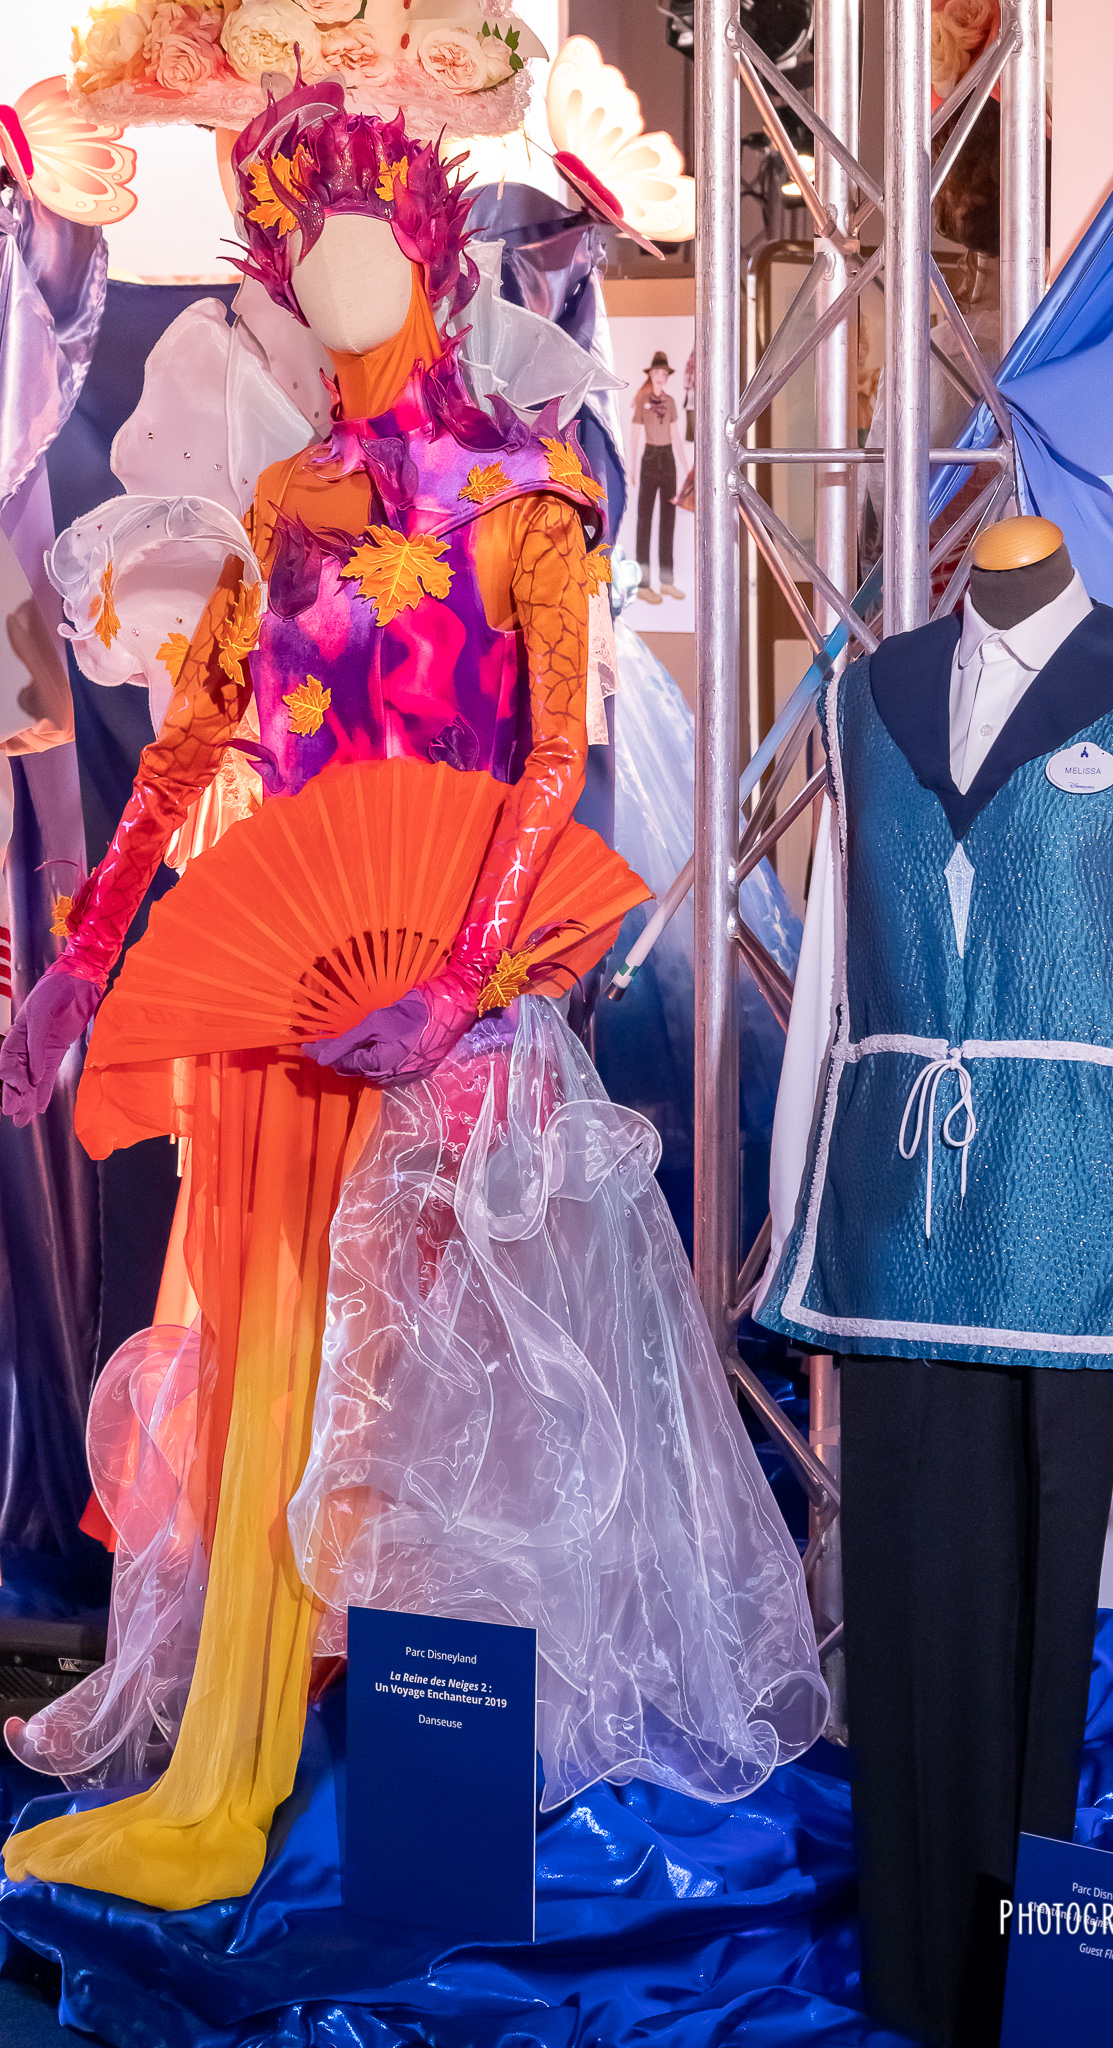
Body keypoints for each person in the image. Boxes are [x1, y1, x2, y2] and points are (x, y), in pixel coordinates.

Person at [0, 79, 825, 1912]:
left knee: (466, 1403)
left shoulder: (531, 496)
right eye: (303, 249)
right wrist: (74, 966)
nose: (338, 272)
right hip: (286, 1026)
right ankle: (253, 1761)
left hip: (455, 1009)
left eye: (366, 232)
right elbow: (182, 756)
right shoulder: (282, 504)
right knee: (285, 1397)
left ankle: (464, 1787)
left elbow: (551, 765)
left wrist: (457, 984)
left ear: (435, 246)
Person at [629, 350, 688, 603]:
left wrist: (687, 468)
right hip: (650, 457)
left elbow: (675, 434)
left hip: (668, 460)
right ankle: (643, 584)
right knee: (645, 520)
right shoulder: (642, 399)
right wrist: (631, 466)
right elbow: (634, 434)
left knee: (668, 519)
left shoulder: (672, 402)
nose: (660, 376)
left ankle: (666, 581)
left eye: (664, 373)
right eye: (657, 372)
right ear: (651, 374)